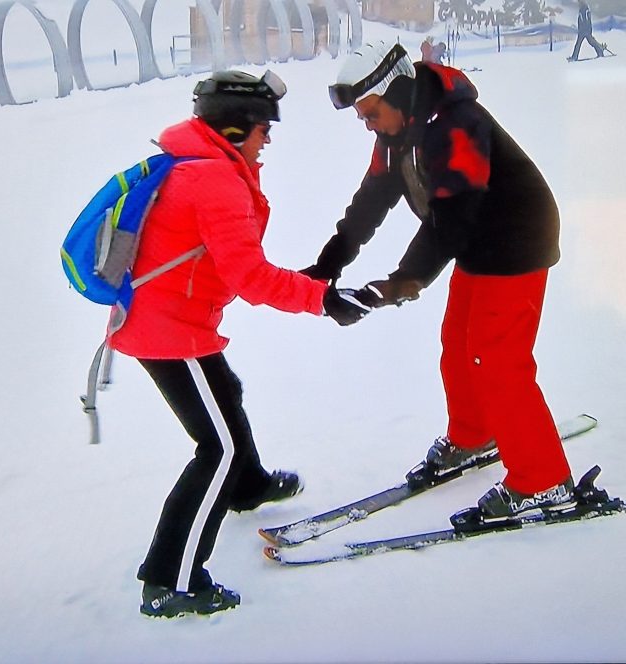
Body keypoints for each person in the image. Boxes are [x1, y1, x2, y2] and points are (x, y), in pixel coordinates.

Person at [108, 70, 369, 618]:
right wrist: (322, 298)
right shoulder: (214, 180)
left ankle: (247, 487)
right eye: (260, 128)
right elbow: (250, 276)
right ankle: (171, 580)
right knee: (216, 447)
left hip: (170, 320)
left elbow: (232, 266)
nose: (268, 138)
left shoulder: (196, 163)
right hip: (169, 330)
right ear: (231, 132)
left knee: (225, 391)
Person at [307, 41, 576, 523]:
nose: (368, 124)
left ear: (398, 90)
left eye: (370, 113)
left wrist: (402, 281)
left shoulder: (456, 125)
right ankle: (475, 435)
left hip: (517, 237)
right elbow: (372, 200)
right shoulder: (397, 131)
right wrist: (329, 264)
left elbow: (450, 220)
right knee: (458, 342)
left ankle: (544, 481)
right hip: (476, 239)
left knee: (498, 359)